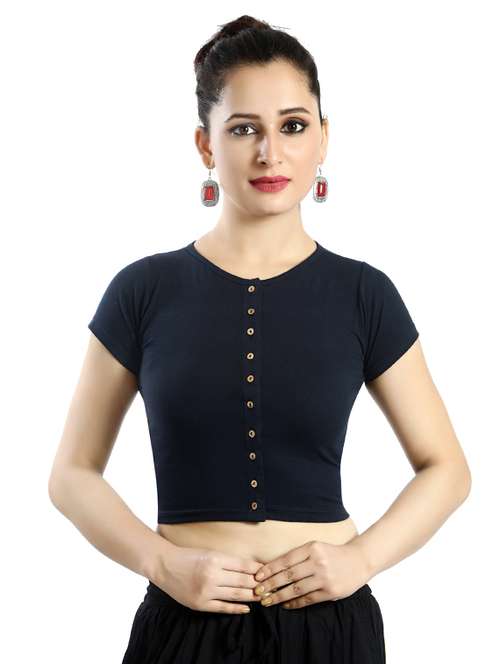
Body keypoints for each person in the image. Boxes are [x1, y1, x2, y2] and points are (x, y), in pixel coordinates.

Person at [48, 14, 472, 664]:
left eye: (293, 126)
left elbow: (447, 469)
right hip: (184, 623)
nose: (271, 153)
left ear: (324, 138)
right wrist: (161, 563)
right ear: (205, 145)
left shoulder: (365, 294)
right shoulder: (142, 290)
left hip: (329, 629)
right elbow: (71, 475)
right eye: (244, 129)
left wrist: (360, 559)